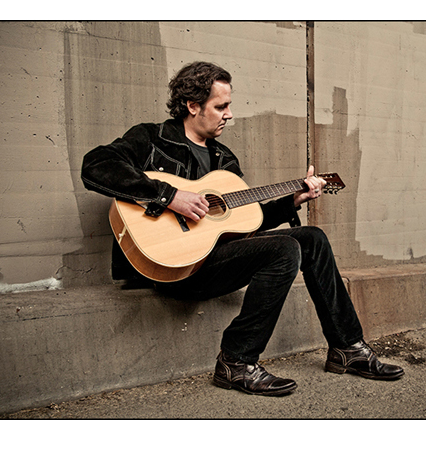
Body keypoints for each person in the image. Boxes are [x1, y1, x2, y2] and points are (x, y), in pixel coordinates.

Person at [81, 61, 404, 396]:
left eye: (229, 106)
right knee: (284, 249)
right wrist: (170, 196)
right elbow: (96, 166)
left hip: (215, 262)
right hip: (171, 264)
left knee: (312, 238)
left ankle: (348, 348)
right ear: (192, 106)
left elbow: (246, 223)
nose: (229, 114)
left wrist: (293, 201)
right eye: (221, 106)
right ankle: (236, 361)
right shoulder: (152, 138)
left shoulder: (224, 160)